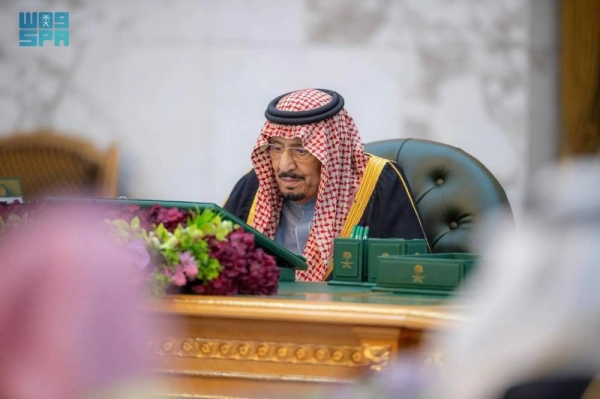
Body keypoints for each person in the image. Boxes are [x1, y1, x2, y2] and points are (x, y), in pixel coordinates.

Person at [224, 88, 427, 282]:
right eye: (276, 148)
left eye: (300, 151)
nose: (284, 165)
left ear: (331, 153)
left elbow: (410, 277)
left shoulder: (378, 184)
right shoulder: (253, 186)